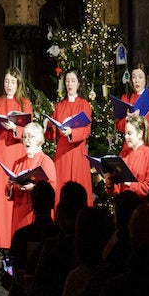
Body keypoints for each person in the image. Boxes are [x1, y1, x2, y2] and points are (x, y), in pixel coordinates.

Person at [0, 67, 31, 251]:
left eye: (12, 81)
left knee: (15, 193)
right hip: (0, 151)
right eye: (6, 81)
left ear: (18, 83)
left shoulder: (24, 104)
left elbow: (28, 129)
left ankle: (14, 239)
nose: (9, 85)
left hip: (17, 153)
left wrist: (14, 128)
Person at [51, 67, 94, 205]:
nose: (69, 84)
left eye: (73, 81)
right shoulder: (60, 105)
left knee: (78, 188)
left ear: (79, 83)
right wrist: (50, 126)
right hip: (62, 153)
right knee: (61, 190)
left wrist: (72, 133)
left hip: (77, 152)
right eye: (67, 81)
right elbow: (53, 132)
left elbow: (86, 129)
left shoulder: (84, 104)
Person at [8, 122, 56, 236]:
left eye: (30, 137)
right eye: (24, 137)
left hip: (36, 213)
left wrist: (33, 188)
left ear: (39, 139)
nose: (27, 140)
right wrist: (10, 186)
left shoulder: (45, 161)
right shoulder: (18, 163)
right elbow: (11, 192)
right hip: (19, 212)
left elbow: (51, 188)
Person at [114, 62, 149, 159]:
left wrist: (142, 126)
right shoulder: (126, 98)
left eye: (140, 77)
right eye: (134, 77)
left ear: (146, 79)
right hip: (129, 149)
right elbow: (119, 126)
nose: (137, 80)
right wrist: (127, 119)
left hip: (148, 147)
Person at [104, 116, 149, 197]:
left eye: (129, 133)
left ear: (140, 133)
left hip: (140, 205)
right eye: (125, 133)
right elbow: (118, 188)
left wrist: (130, 183)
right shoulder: (124, 154)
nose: (126, 137)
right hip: (123, 203)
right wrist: (110, 184)